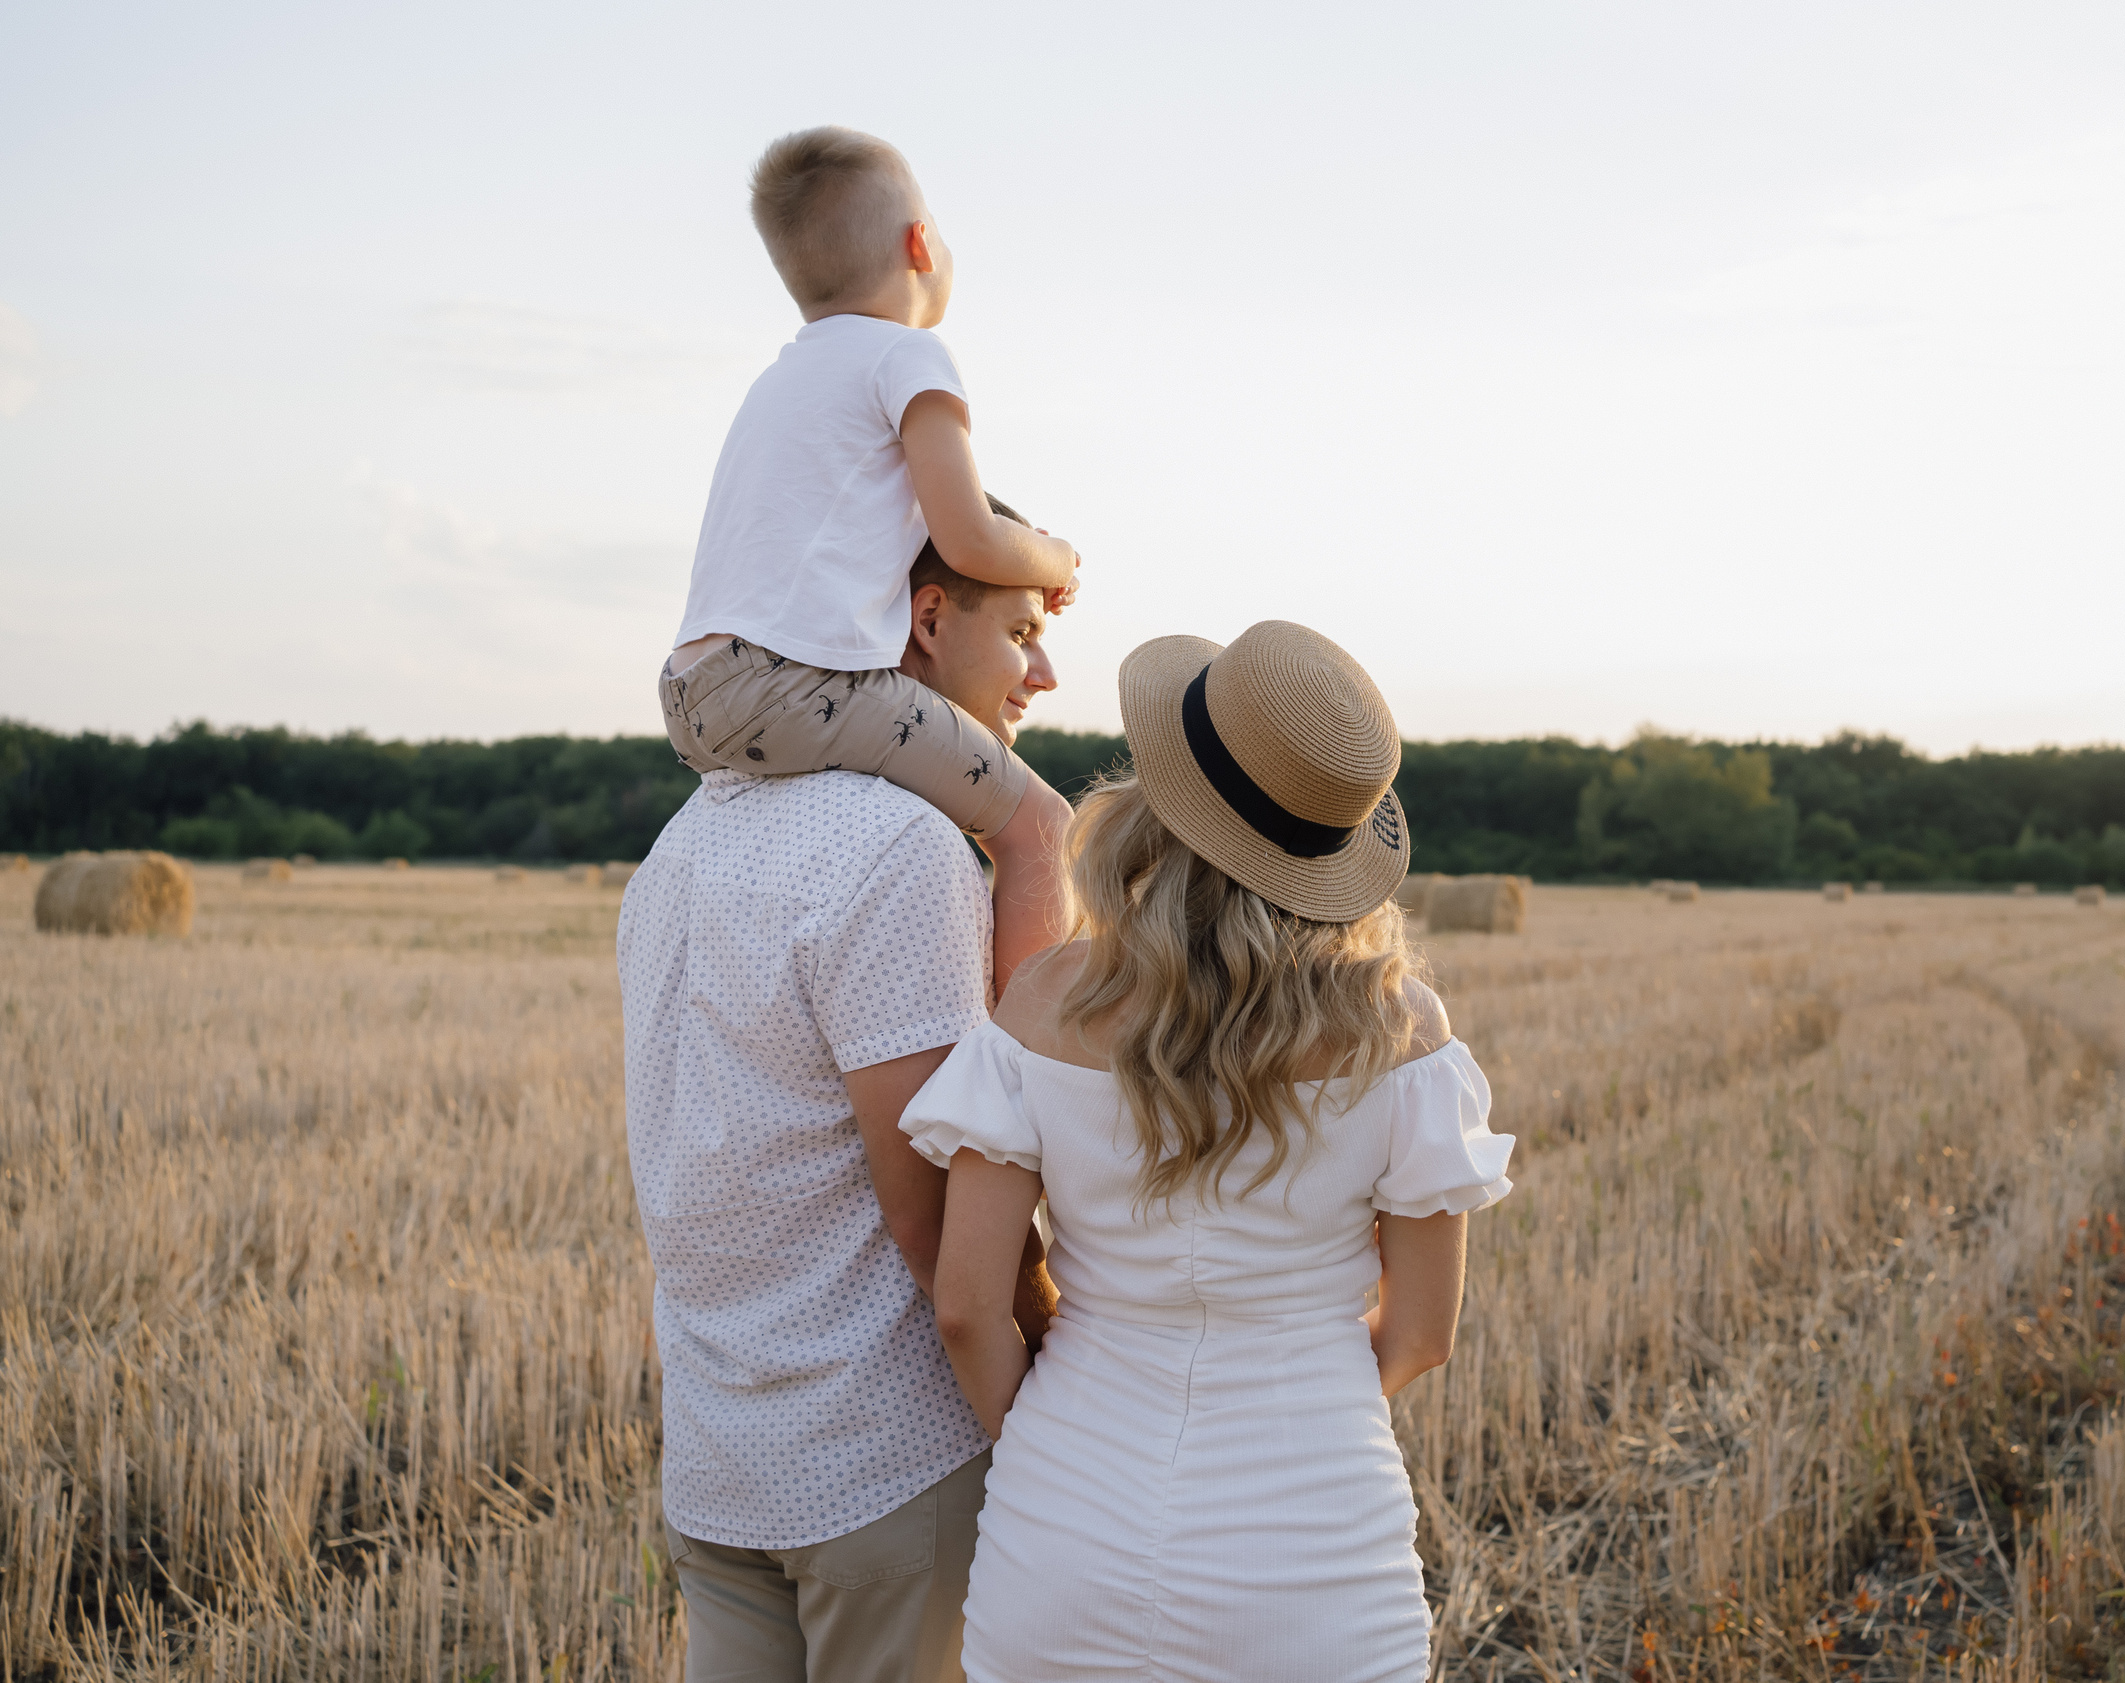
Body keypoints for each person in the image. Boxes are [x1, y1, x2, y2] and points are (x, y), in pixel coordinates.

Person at [900, 620, 1515, 1682]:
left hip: (1062, 1539)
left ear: (1154, 808)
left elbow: (966, 1302)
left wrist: (1049, 1453)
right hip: (1315, 1559)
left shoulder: (1045, 1003)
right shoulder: (1404, 1033)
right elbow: (1420, 1334)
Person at [617, 543, 1068, 1683]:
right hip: (883, 1465)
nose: (1046, 672)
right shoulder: (898, 846)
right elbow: (937, 1209)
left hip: (720, 1466)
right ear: (926, 616)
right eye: (1019, 632)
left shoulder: (684, 839)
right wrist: (1053, 1384)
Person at [660, 125, 1079, 997]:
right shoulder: (910, 355)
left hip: (692, 687)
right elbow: (967, 538)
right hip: (788, 682)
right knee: (1040, 827)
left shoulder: (781, 378)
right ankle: (1026, 1059)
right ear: (920, 244)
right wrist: (1052, 556)